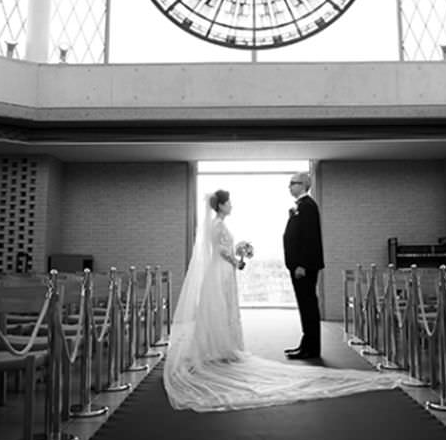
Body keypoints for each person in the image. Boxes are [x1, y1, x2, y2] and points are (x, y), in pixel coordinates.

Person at [163, 187, 413, 412]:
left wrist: (237, 255)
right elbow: (219, 250)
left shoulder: (225, 222)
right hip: (221, 269)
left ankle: (223, 346)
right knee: (218, 307)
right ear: (221, 205)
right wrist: (236, 259)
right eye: (229, 202)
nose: (232, 206)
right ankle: (217, 348)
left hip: (223, 270)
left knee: (222, 307)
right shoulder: (217, 225)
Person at [283, 171, 324, 359]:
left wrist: (302, 265)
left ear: (303, 185)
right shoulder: (301, 206)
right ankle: (307, 343)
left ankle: (312, 348)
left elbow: (309, 239)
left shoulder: (307, 206)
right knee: (305, 306)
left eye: (293, 183)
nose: (289, 186)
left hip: (303, 267)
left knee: (308, 306)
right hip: (298, 266)